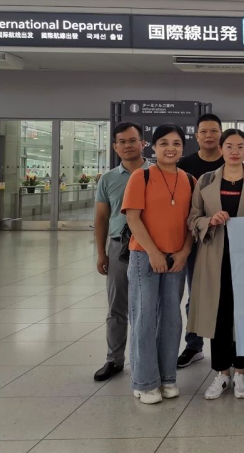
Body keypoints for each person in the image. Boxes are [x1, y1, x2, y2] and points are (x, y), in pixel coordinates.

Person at [187, 129, 244, 400]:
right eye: (229, 146)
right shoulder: (206, 180)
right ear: (221, 149)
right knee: (219, 313)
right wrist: (209, 221)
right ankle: (222, 372)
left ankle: (241, 371)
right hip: (214, 256)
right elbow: (192, 218)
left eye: (240, 146)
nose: (234, 151)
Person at [122, 124, 195, 405]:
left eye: (176, 143)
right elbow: (133, 218)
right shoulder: (141, 176)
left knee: (172, 319)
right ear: (153, 147)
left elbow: (192, 222)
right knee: (144, 317)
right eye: (163, 143)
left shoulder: (190, 180)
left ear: (182, 148)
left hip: (176, 259)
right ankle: (144, 381)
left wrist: (184, 252)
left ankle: (167, 378)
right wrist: (153, 252)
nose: (170, 148)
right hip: (145, 256)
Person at [93, 122, 150, 382]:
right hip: (119, 247)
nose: (128, 145)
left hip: (150, 248)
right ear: (115, 147)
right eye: (122, 142)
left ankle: (148, 360)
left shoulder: (156, 173)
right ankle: (114, 359)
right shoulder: (108, 179)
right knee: (117, 307)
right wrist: (101, 253)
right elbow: (102, 218)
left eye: (132, 140)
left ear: (142, 143)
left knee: (149, 306)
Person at [176, 113, 224, 369]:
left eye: (213, 131)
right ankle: (193, 346)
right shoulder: (185, 164)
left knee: (230, 294)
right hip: (195, 237)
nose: (209, 135)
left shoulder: (231, 161)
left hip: (226, 240)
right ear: (196, 136)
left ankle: (235, 346)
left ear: (220, 134)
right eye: (203, 131)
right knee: (195, 294)